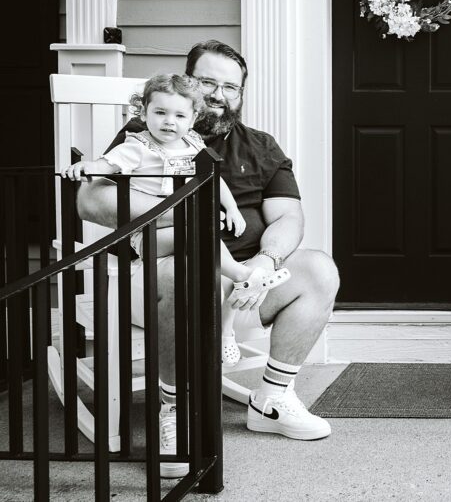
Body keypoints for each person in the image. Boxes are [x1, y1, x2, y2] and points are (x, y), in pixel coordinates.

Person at [77, 40, 340, 477]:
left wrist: (267, 261)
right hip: (165, 269)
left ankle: (272, 398)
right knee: (187, 275)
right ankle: (174, 411)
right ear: (187, 86)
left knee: (318, 269)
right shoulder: (143, 137)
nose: (219, 94)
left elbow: (289, 217)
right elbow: (90, 200)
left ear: (240, 95)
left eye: (230, 87)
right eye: (207, 82)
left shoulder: (261, 147)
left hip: (247, 282)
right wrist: (183, 210)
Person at [61, 73, 292, 370]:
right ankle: (245, 275)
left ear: (193, 118)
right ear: (143, 113)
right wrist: (87, 166)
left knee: (213, 260)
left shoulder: (192, 144)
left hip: (187, 234)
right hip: (148, 236)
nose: (169, 122)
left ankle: (226, 329)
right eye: (160, 113)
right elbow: (108, 164)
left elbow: (214, 179)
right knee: (205, 239)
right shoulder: (137, 146)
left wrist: (232, 209)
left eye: (179, 115)